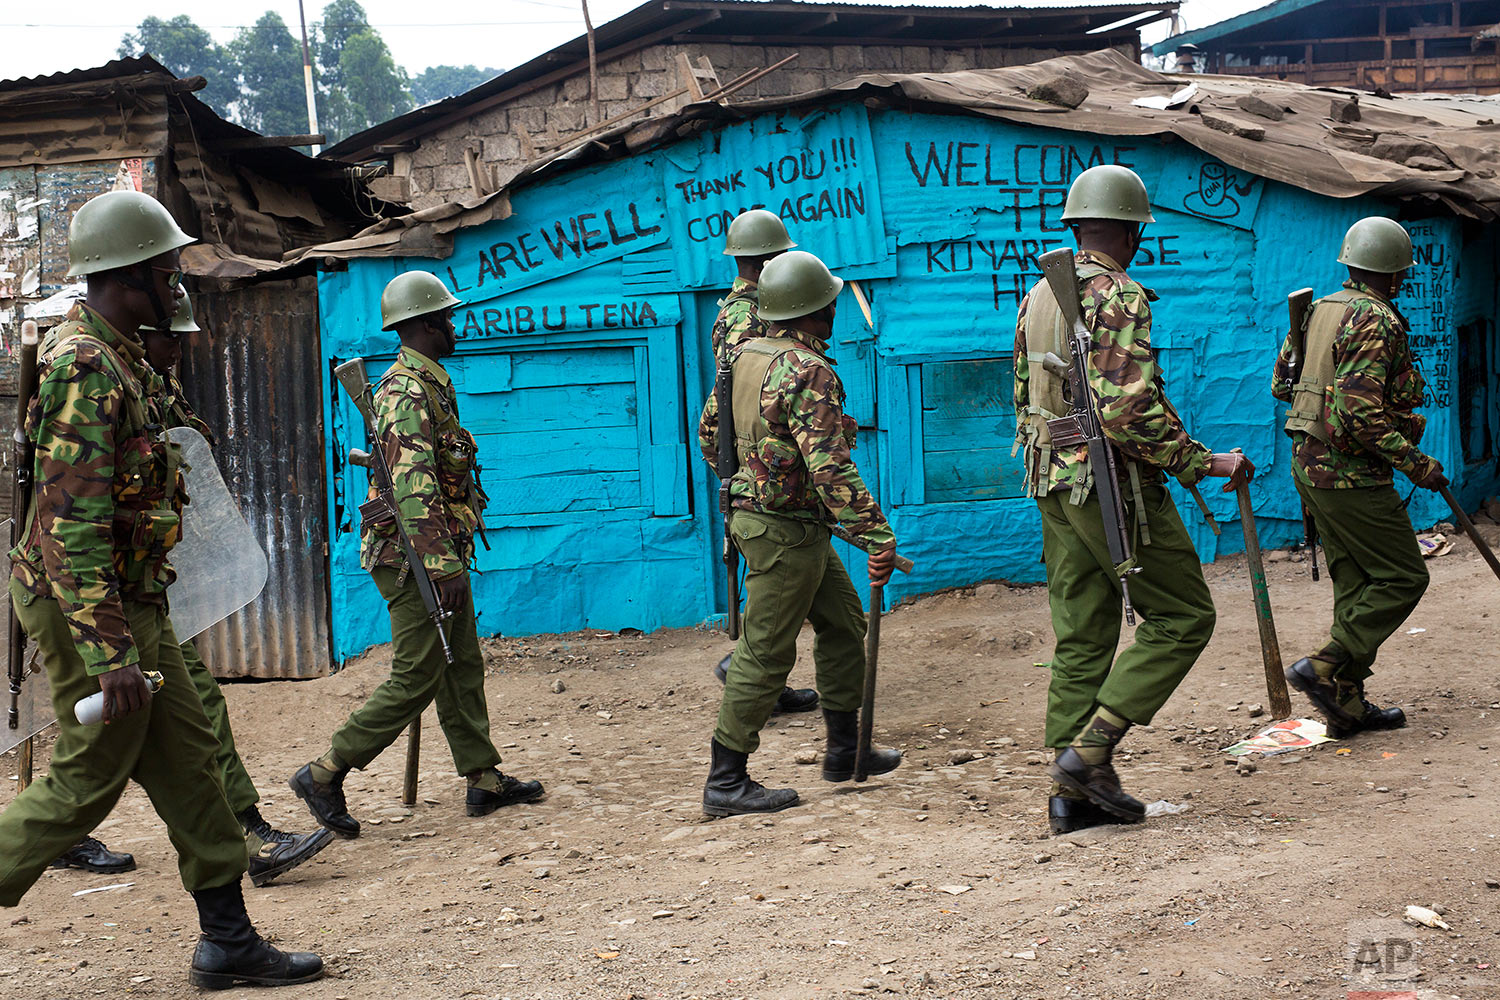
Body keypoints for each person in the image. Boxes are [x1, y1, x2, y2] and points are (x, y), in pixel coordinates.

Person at [0, 189, 321, 988]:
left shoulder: (125, 359)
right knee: (87, 779)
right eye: (168, 272)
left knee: (191, 762)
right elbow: (69, 526)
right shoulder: (85, 365)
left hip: (129, 601)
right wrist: (108, 651)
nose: (178, 286)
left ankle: (229, 942)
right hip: (88, 607)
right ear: (130, 276)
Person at [1012, 165, 1254, 836]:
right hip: (1110, 485)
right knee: (1182, 616)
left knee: (1083, 632)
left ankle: (1071, 795)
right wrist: (1201, 462)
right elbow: (1126, 410)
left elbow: (1029, 399)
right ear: (1129, 229)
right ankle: (1088, 756)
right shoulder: (1118, 293)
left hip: (1051, 478)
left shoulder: (1040, 295)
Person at [290, 271, 542, 837]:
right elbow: (413, 489)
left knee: (461, 663)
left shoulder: (429, 384)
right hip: (412, 558)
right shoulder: (405, 392)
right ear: (424, 324)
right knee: (419, 672)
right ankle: (325, 772)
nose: (453, 325)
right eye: (446, 318)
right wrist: (442, 565)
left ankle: (482, 777)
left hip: (433, 549)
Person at [132, 293, 332, 886]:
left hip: (145, 585)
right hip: (105, 599)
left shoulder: (149, 382)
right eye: (170, 337)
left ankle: (241, 842)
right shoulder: (95, 382)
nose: (181, 348)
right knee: (106, 755)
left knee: (172, 723)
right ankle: (244, 837)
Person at [697, 249, 900, 817]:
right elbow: (831, 467)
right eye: (829, 302)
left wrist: (749, 484)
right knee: (766, 651)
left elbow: (711, 434)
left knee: (843, 622)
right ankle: (726, 780)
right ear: (818, 310)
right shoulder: (809, 370)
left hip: (778, 523)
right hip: (785, 530)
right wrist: (876, 535)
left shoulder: (741, 358)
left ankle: (844, 750)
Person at [1272, 216, 1440, 737]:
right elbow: (1363, 416)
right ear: (1392, 275)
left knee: (1357, 582)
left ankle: (1345, 701)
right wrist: (1417, 463)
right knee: (1404, 576)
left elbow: (1282, 385)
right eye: (1402, 275)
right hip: (1350, 476)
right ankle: (1321, 667)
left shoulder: (1319, 309)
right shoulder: (1376, 319)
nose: (1403, 283)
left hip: (1308, 467)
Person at [705, 208, 817, 715]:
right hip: (764, 465)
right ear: (771, 258)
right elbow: (748, 393)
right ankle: (749, 674)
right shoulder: (749, 319)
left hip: (750, 462)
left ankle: (763, 675)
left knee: (785, 585)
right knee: (776, 580)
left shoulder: (731, 311)